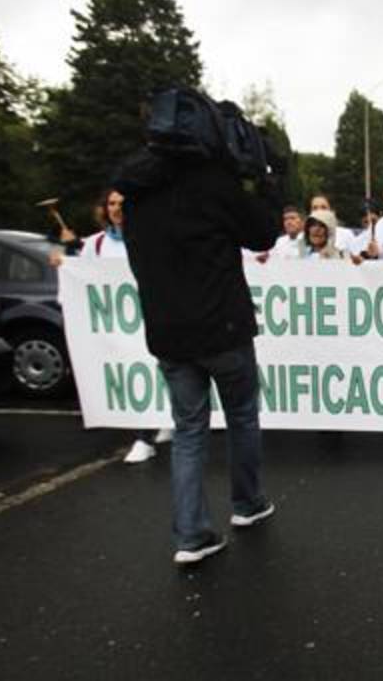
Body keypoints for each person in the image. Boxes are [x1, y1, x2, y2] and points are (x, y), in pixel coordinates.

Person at [113, 140, 281, 565]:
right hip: (222, 329)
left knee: (188, 429)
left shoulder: (136, 192)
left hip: (169, 333)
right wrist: (265, 182)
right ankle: (248, 503)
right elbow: (263, 232)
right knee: (242, 415)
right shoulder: (211, 185)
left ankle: (191, 535)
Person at [49, 189, 172, 463]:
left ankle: (164, 419)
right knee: (132, 371)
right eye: (111, 203)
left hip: (151, 315)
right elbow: (71, 265)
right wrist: (61, 254)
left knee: (159, 369)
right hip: (118, 323)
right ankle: (143, 438)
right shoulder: (96, 243)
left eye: (122, 204)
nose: (116, 208)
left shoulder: (151, 237)